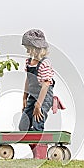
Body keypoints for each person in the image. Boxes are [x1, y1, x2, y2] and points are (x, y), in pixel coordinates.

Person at [18, 29, 54, 159]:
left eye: (29, 47)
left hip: (44, 97)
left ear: (36, 47)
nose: (27, 50)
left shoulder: (45, 63)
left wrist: (39, 105)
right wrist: (24, 97)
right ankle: (35, 143)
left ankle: (40, 153)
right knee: (23, 126)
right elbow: (28, 79)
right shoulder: (28, 62)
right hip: (32, 96)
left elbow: (46, 85)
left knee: (37, 122)